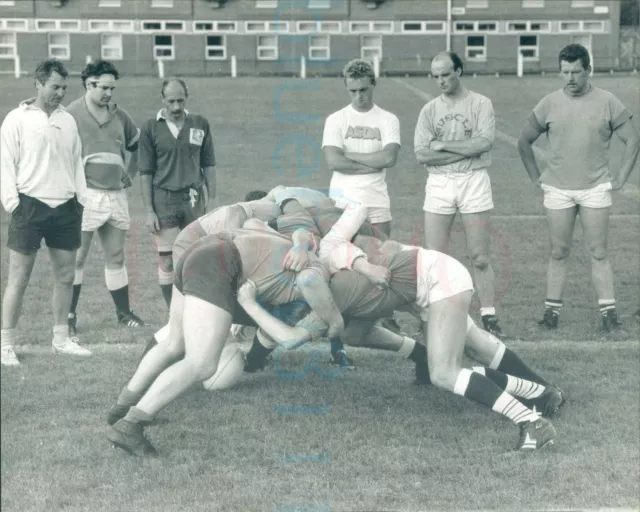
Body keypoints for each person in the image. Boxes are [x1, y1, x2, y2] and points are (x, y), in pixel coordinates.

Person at [238, 237, 562, 451]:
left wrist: (248, 304)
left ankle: (532, 423)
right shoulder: (327, 270)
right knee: (464, 355)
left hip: (437, 279)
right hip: (431, 279)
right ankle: (540, 393)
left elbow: (292, 339)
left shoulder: (325, 282)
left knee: (445, 373)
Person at [105, 229, 344, 455]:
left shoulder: (302, 246)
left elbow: (290, 236)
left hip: (203, 248)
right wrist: (335, 323)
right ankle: (130, 426)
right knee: (202, 363)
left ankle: (120, 409)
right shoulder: (320, 269)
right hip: (220, 261)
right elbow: (311, 279)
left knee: (175, 343)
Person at [517, 44, 640, 331]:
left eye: (575, 72)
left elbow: (633, 140)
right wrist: (537, 176)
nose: (570, 78)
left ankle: (609, 315)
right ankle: (551, 314)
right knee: (559, 251)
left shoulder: (608, 101)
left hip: (595, 188)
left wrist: (621, 177)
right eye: (565, 72)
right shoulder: (548, 103)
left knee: (598, 251)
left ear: (588, 70)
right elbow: (523, 142)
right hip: (558, 190)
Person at [0, 59, 91, 366]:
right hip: (29, 206)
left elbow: (78, 161)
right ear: (38, 84)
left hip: (66, 208)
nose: (60, 93)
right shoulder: (16, 119)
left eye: (64, 87)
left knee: (66, 275)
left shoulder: (68, 120)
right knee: (19, 278)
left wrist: (81, 198)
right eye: (55, 87)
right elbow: (5, 165)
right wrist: (14, 204)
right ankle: (6, 344)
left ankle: (61, 339)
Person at [414, 51, 505, 339]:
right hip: (439, 183)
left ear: (459, 71)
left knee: (479, 256)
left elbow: (483, 143)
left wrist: (444, 147)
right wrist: (461, 149)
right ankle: (431, 315)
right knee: (435, 256)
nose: (440, 80)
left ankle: (489, 315)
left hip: (473, 181)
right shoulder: (429, 110)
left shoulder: (480, 104)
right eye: (436, 76)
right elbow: (421, 153)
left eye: (446, 74)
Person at [65, 60, 144, 334]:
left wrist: (130, 173)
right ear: (89, 84)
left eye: (112, 88)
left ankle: (123, 313)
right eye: (104, 88)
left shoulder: (119, 115)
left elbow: (138, 146)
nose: (109, 93)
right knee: (77, 257)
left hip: (115, 195)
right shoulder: (71, 114)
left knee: (117, 256)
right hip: (85, 196)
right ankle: (69, 314)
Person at [138, 77, 216, 308]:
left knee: (197, 255)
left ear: (187, 97)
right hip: (163, 199)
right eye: (171, 101)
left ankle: (197, 306)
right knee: (167, 258)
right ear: (162, 99)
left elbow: (209, 163)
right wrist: (149, 210)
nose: (176, 107)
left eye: (180, 101)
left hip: (193, 199)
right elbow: (145, 172)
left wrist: (212, 198)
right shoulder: (151, 127)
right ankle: (172, 311)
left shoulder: (200, 124)